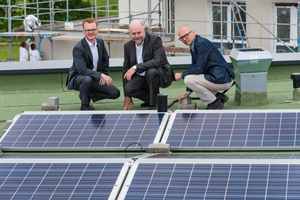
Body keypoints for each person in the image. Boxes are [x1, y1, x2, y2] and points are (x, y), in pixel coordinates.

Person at [175, 24, 235, 110]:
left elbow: (198, 69)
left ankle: (214, 103)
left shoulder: (201, 43)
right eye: (181, 38)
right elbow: (195, 68)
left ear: (193, 33)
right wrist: (187, 93)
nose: (184, 39)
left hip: (221, 78)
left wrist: (181, 74)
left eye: (186, 35)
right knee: (190, 78)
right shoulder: (195, 45)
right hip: (217, 77)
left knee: (188, 79)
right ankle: (218, 97)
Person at [66, 18, 120, 110]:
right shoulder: (78, 48)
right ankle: (84, 105)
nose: (91, 32)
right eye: (88, 30)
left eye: (93, 29)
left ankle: (86, 93)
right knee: (87, 79)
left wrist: (104, 75)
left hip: (94, 77)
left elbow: (105, 60)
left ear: (97, 30)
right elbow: (82, 70)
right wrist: (101, 75)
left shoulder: (100, 43)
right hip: (78, 77)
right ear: (83, 31)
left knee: (115, 93)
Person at [123, 20, 173, 110]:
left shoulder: (155, 40)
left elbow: (157, 62)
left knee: (151, 72)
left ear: (144, 30)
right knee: (128, 89)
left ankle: (153, 105)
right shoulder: (128, 46)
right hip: (141, 76)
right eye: (133, 33)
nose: (137, 36)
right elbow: (125, 69)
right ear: (130, 34)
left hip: (159, 72)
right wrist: (127, 95)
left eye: (139, 32)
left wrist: (136, 67)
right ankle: (153, 100)